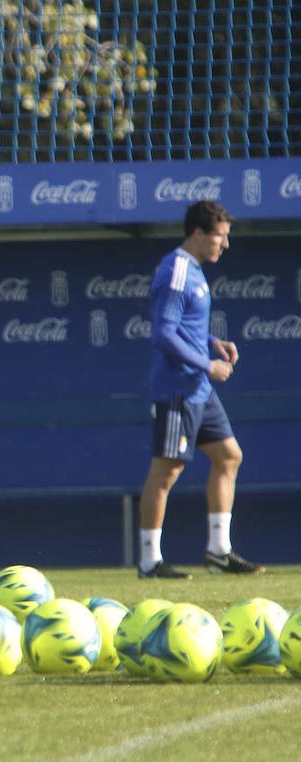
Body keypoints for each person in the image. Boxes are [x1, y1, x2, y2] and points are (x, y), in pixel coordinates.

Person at [137, 200, 262, 579]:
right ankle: (149, 561)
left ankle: (219, 551)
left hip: (199, 390)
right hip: (178, 389)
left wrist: (211, 342)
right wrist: (208, 363)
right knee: (168, 470)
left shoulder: (192, 270)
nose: (225, 245)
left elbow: (184, 326)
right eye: (220, 237)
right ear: (197, 233)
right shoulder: (175, 269)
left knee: (229, 456)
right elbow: (163, 332)